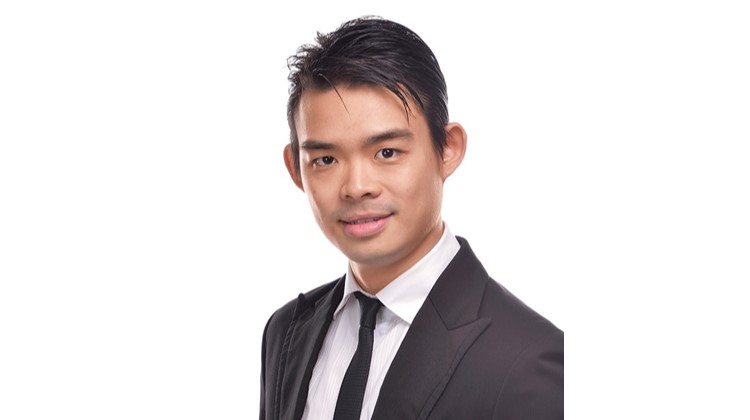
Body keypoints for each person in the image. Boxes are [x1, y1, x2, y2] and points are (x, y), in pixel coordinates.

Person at [260, 16, 563, 420]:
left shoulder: (528, 360)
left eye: (386, 152)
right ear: (296, 169)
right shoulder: (285, 332)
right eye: (326, 159)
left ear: (448, 149)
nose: (356, 187)